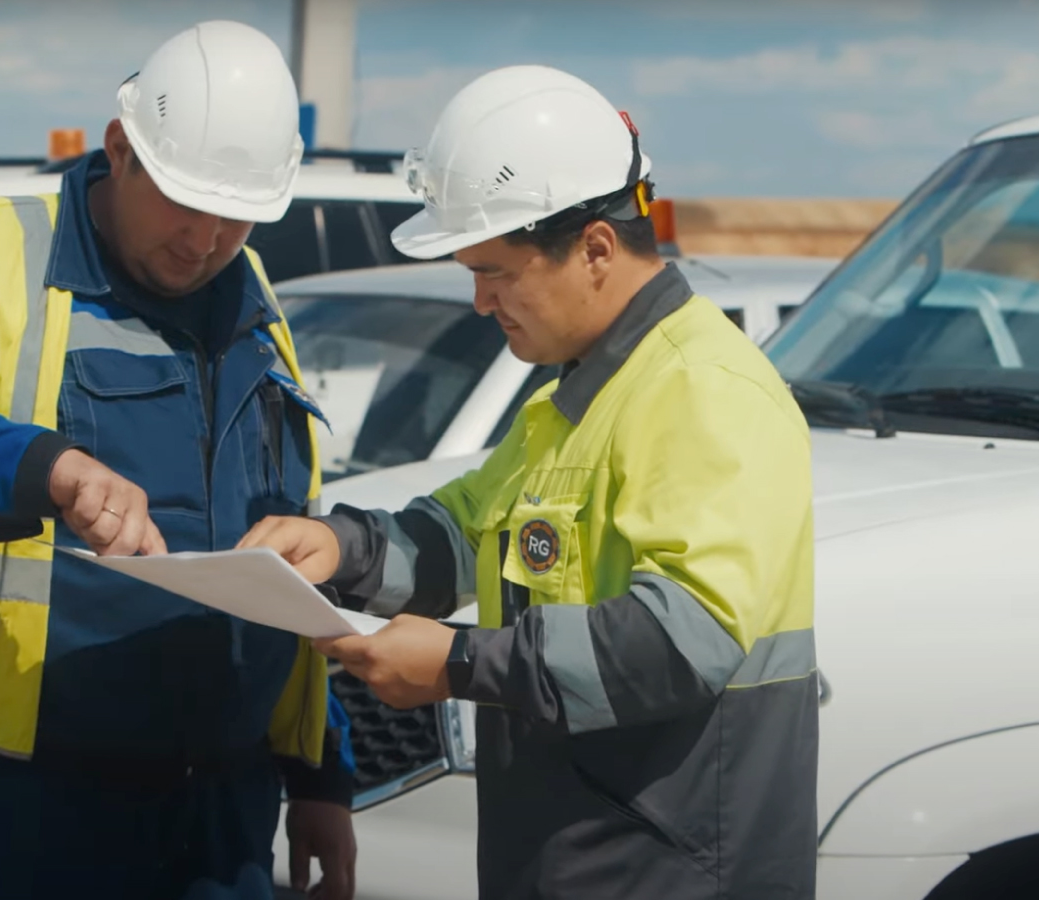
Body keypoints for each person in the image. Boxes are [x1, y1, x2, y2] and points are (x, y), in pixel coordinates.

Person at [0, 21, 357, 900]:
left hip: (221, 818)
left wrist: (322, 775)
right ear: (122, 149)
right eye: (185, 201)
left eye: (236, 213)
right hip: (14, 814)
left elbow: (283, 555)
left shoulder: (250, 296)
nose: (207, 239)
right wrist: (44, 467)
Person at [239, 65, 818, 899]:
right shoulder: (572, 400)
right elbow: (459, 537)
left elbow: (685, 639)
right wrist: (340, 546)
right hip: (576, 861)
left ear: (594, 249)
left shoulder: (704, 389)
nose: (480, 303)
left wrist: (460, 663)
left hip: (668, 872)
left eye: (497, 273)